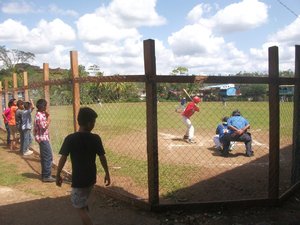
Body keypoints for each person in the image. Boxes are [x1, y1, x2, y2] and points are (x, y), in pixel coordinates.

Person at [56, 107, 111, 225]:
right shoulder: (96, 138)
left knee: (78, 206)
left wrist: (57, 174)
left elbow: (63, 158)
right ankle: (86, 217)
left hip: (78, 180)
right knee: (82, 200)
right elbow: (102, 157)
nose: (94, 125)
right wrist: (107, 173)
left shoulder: (70, 138)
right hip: (91, 178)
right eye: (94, 122)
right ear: (89, 123)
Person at [34, 99, 55, 182]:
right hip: (42, 138)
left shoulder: (41, 114)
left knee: (45, 156)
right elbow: (43, 127)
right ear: (43, 106)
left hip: (43, 137)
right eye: (45, 105)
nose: (46, 107)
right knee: (48, 156)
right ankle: (46, 176)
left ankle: (45, 174)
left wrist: (46, 115)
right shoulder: (39, 115)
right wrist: (49, 120)